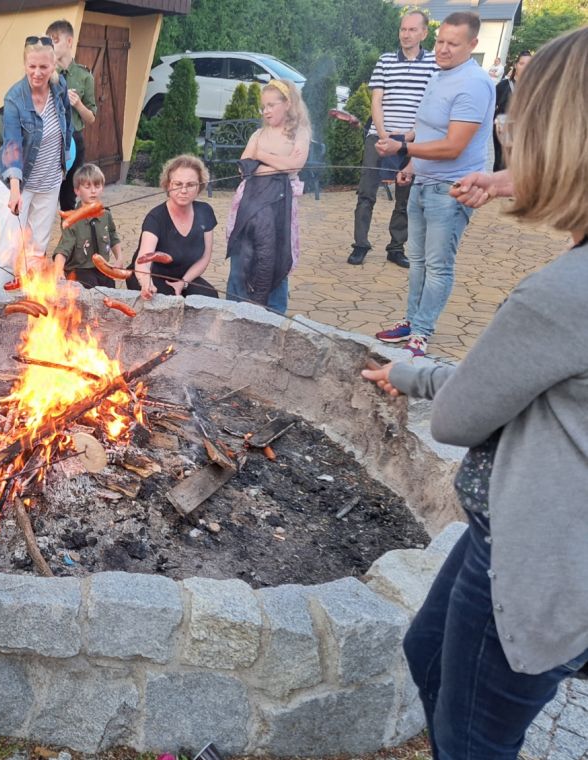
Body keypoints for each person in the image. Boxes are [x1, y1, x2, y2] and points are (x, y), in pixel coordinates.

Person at [362, 27, 588, 758]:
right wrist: (410, 372)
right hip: (527, 537)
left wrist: (423, 379)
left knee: (471, 741)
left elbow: (460, 417)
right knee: (427, 653)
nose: (508, 137)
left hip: (537, 562)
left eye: (522, 125)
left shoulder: (558, 296)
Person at [374, 11, 495, 357]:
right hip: (423, 183)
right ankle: (411, 322)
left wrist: (404, 148)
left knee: (439, 265)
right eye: (440, 40)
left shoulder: (474, 83)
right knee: (417, 260)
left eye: (452, 44)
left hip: (451, 191)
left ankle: (422, 333)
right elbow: (429, 128)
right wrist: (411, 164)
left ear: (472, 45)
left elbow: (454, 145)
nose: (442, 49)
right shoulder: (439, 74)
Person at [349, 10, 437, 268]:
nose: (406, 34)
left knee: (406, 195)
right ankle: (360, 244)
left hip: (413, 139)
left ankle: (396, 247)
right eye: (403, 29)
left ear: (424, 33)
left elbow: (431, 104)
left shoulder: (433, 63)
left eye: (412, 30)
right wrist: (384, 133)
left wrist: (412, 134)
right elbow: (377, 100)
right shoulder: (385, 60)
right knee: (366, 193)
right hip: (380, 135)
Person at [224, 80, 310, 313]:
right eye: (264, 106)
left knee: (275, 256)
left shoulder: (299, 134)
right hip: (250, 204)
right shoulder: (258, 134)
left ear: (288, 104)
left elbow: (294, 166)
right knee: (242, 253)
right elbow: (243, 167)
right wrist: (273, 163)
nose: (266, 111)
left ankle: (274, 314)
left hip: (279, 207)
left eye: (272, 105)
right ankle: (234, 308)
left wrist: (261, 156)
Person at [0, 36, 71, 288]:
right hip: (17, 183)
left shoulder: (60, 89)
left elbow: (66, 126)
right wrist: (15, 190)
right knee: (9, 250)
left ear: (53, 66)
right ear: (25, 64)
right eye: (32, 66)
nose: (37, 73)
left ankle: (30, 309)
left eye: (43, 67)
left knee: (36, 253)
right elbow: (12, 144)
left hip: (49, 183)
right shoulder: (14, 97)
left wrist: (63, 167)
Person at [129, 154, 219, 300]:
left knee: (209, 297)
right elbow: (142, 261)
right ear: (168, 185)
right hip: (151, 274)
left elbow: (204, 257)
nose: (184, 191)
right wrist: (146, 283)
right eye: (178, 184)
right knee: (166, 300)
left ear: (199, 186)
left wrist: (183, 282)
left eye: (190, 185)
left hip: (184, 275)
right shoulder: (155, 218)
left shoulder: (205, 211)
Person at [46, 19, 97, 213]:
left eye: (55, 41)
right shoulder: (46, 74)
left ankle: (68, 241)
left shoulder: (84, 76)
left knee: (68, 198)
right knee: (46, 195)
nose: (51, 46)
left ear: (69, 42)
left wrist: (78, 104)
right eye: (49, 42)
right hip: (51, 139)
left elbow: (91, 117)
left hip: (74, 141)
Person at [52, 163, 121, 287]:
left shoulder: (106, 215)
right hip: (80, 271)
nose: (93, 191)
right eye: (87, 186)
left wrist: (119, 258)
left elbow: (113, 237)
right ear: (77, 190)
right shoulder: (72, 220)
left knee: (110, 286)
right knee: (91, 287)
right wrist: (58, 269)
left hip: (103, 269)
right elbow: (63, 249)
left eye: (97, 185)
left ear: (102, 188)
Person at [492, 50, 532, 172]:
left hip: (526, 131)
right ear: (515, 65)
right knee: (502, 163)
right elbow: (491, 107)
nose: (525, 67)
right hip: (504, 129)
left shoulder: (536, 87)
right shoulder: (503, 86)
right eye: (521, 63)